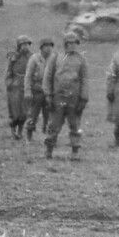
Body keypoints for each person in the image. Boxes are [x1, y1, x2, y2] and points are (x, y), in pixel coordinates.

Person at [42, 32, 88, 160]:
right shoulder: (55, 57)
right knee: (54, 124)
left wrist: (84, 98)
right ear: (65, 44)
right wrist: (48, 95)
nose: (72, 46)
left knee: (75, 124)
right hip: (58, 97)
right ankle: (49, 150)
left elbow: (84, 79)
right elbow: (48, 77)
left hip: (74, 98)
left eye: (74, 43)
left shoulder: (81, 59)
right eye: (70, 43)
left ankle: (75, 151)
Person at [25, 37, 56, 143]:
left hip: (49, 92)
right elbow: (28, 76)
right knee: (33, 114)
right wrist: (27, 91)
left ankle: (48, 137)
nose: (48, 49)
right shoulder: (34, 59)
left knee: (49, 116)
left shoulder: (54, 58)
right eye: (46, 46)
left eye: (50, 46)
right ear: (41, 48)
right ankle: (29, 136)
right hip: (36, 91)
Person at [5, 35, 32, 140]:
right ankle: (13, 132)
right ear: (19, 46)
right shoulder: (14, 57)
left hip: (27, 86)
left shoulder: (32, 57)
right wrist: (9, 83)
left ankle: (20, 132)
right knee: (14, 111)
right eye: (23, 44)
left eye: (27, 44)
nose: (25, 47)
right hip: (15, 86)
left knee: (24, 112)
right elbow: (8, 72)